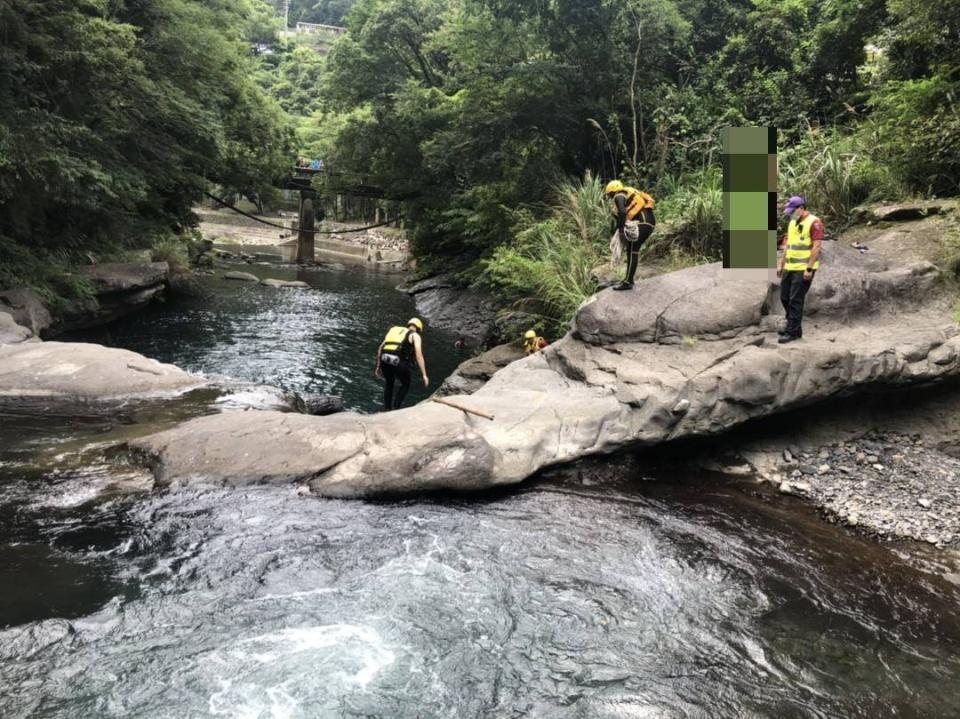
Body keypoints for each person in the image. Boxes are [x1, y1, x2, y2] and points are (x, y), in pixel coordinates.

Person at [776, 195, 824, 344]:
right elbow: (789, 243)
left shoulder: (814, 222)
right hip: (790, 266)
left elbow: (817, 246)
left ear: (801, 208)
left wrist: (809, 268)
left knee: (795, 300)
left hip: (804, 268)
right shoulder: (792, 222)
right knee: (784, 297)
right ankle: (795, 326)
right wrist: (781, 262)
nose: (790, 214)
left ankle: (792, 332)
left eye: (792, 211)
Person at [604, 180, 656, 290]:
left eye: (609, 194)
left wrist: (622, 230)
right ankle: (628, 279)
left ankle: (628, 282)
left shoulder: (619, 195)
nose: (609, 197)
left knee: (632, 250)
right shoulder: (626, 194)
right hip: (648, 222)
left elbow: (623, 213)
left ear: (613, 191)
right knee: (631, 250)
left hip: (643, 222)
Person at [375, 318, 429, 411]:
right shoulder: (415, 335)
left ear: (408, 325)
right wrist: (424, 374)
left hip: (384, 359)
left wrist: (378, 366)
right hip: (398, 361)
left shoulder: (395, 331)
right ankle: (396, 408)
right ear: (419, 329)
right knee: (406, 384)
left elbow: (380, 348)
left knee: (389, 383)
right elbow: (419, 355)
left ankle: (387, 408)